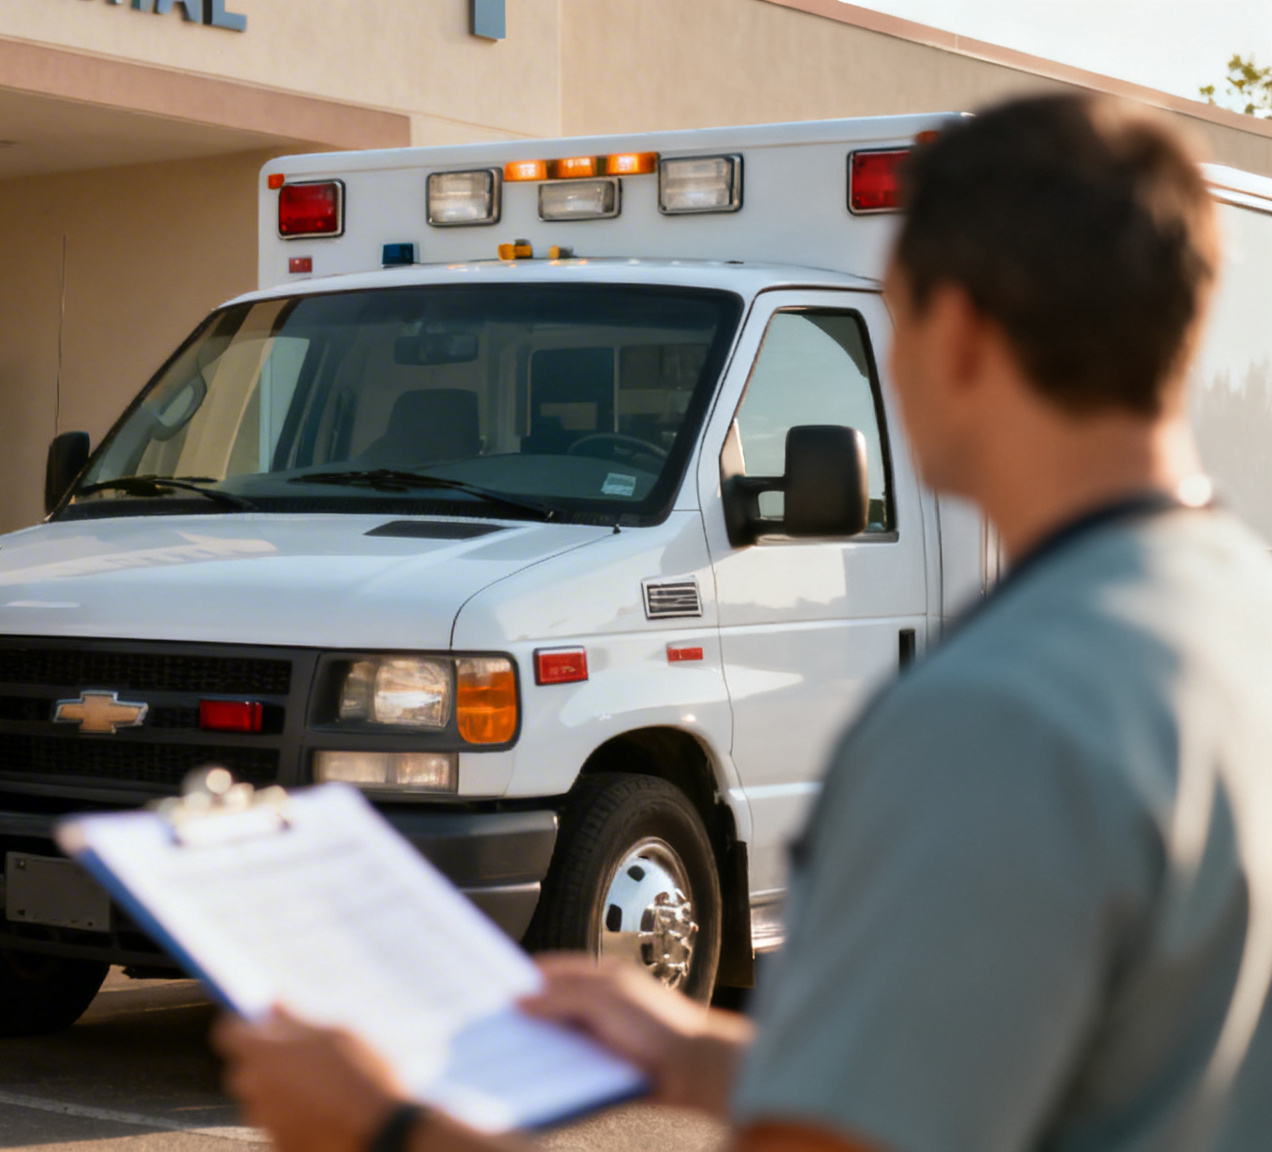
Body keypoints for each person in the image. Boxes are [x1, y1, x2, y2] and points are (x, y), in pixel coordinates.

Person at [216, 93, 1272, 1152]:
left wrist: (383, 1129)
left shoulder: (992, 714)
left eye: (893, 322)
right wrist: (689, 1054)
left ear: (956, 335)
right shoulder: (1233, 621)